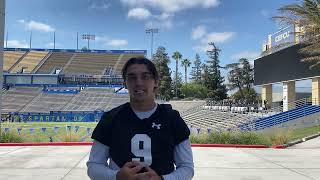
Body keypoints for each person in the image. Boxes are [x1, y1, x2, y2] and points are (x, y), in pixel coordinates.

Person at [87, 57, 194, 180]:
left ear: (156, 82)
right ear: (125, 83)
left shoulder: (172, 118)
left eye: (145, 76)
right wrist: (116, 176)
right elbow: (94, 165)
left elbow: (187, 167)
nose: (139, 83)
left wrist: (163, 179)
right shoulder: (111, 118)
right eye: (132, 77)